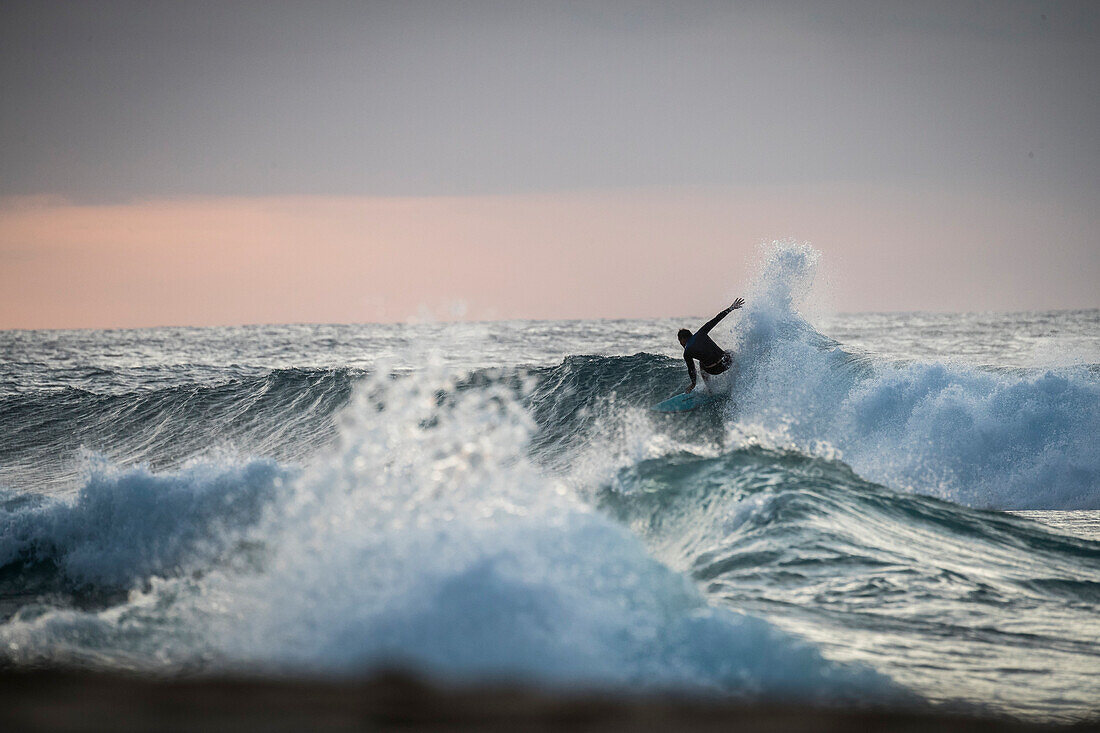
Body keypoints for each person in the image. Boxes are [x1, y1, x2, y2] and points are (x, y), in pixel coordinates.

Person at [678, 298, 744, 394]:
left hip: (712, 370)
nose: (681, 344)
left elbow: (691, 370)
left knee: (701, 363)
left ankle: (710, 389)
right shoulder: (701, 333)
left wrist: (693, 384)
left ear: (683, 339)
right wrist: (731, 308)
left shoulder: (687, 352)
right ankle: (741, 374)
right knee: (730, 352)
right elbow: (716, 319)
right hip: (725, 363)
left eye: (680, 341)